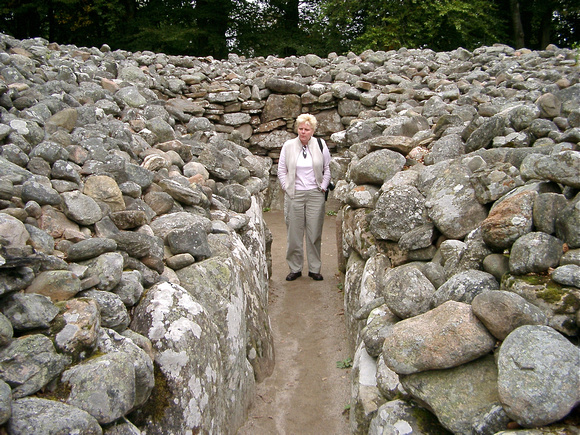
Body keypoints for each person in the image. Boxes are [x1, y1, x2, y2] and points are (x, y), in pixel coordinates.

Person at [277, 113, 331, 281]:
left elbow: (327, 168)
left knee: (314, 232)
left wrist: (322, 187)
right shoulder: (288, 146)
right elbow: (281, 170)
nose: (303, 132)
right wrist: (287, 188)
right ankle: (295, 268)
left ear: (312, 130)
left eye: (307, 129)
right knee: (294, 233)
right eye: (300, 128)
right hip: (295, 194)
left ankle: (314, 269)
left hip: (315, 194)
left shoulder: (321, 145)